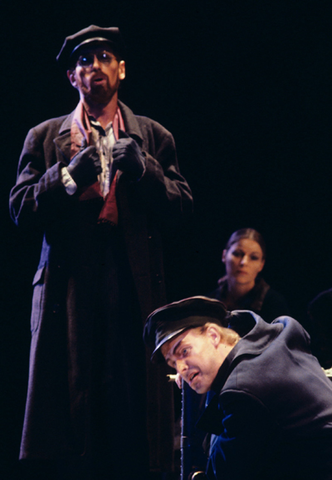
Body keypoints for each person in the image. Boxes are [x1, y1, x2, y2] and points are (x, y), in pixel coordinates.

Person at [9, 25, 193, 480]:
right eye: (86, 61)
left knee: (133, 403)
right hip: (70, 284)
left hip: (131, 278)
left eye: (106, 57)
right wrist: (67, 177)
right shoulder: (46, 136)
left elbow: (181, 208)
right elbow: (19, 209)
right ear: (73, 76)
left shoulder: (152, 135)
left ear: (122, 69)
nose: (96, 67)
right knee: (74, 403)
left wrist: (144, 169)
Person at [144, 296, 332, 480]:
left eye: (184, 351)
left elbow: (221, 472)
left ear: (213, 336)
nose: (181, 369)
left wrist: (208, 382)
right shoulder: (274, 340)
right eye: (173, 363)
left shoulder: (244, 390)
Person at [209, 228, 289, 323]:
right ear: (224, 255)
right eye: (237, 254)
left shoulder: (275, 305)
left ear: (261, 264)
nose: (244, 262)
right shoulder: (208, 303)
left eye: (253, 257)